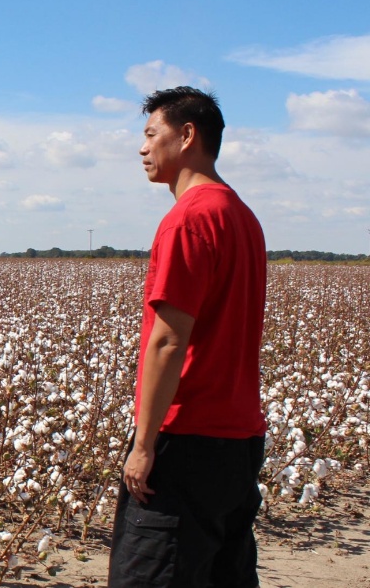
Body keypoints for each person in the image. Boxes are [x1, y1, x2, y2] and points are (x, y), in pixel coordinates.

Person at [109, 87, 268, 587]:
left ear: (187, 135)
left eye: (151, 134)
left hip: (188, 441)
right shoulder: (242, 217)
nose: (142, 148)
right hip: (239, 442)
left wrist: (145, 443)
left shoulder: (189, 219)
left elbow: (167, 341)